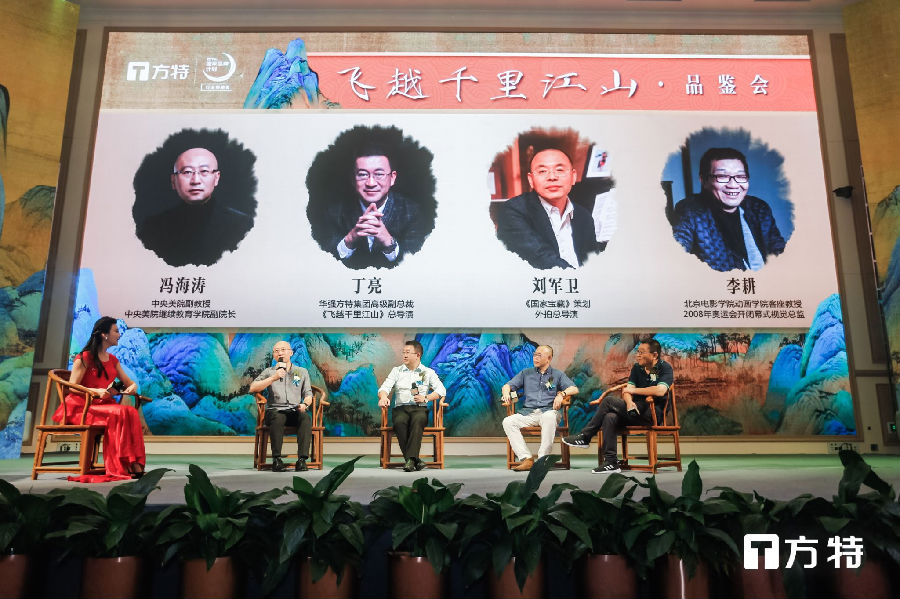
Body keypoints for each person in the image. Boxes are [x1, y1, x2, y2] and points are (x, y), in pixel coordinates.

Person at [53, 316, 146, 480]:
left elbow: (129, 382)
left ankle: (133, 462)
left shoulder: (113, 360)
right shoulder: (84, 357)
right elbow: (72, 386)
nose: (119, 335)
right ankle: (121, 464)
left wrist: (132, 387)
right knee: (120, 413)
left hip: (103, 405)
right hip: (83, 407)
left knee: (130, 412)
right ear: (104, 334)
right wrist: (95, 391)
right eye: (116, 331)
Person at [563, 339, 674, 474]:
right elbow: (627, 391)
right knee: (610, 417)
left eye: (641, 352)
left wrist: (633, 391)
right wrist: (629, 403)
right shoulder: (637, 368)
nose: (637, 355)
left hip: (652, 414)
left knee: (608, 401)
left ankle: (585, 437)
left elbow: (660, 390)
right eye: (637, 352)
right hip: (634, 411)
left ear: (654, 355)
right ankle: (611, 462)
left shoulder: (664, 368)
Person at [671, 147, 786, 272]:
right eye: (722, 176)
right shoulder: (689, 211)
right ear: (703, 180)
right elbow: (677, 254)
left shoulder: (758, 208)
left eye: (740, 176)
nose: (733, 185)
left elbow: (778, 250)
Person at [135, 147, 254, 266]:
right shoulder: (153, 228)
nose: (196, 180)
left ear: (216, 178)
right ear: (173, 180)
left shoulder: (242, 225)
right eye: (187, 172)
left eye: (204, 171)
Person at [322, 145, 431, 269]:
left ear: (392, 178)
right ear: (353, 179)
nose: (371, 183)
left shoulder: (412, 213)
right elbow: (326, 262)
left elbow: (415, 262)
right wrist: (351, 238)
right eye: (362, 174)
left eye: (379, 174)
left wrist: (388, 242)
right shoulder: (334, 213)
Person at [495, 148, 602, 269]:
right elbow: (541, 259)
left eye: (560, 170)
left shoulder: (583, 215)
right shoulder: (513, 211)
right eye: (542, 171)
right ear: (531, 180)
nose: (552, 177)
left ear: (573, 176)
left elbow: (593, 261)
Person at [501, 345, 578, 472]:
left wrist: (561, 394)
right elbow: (507, 386)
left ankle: (543, 459)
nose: (535, 358)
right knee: (508, 421)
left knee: (549, 417)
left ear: (549, 358)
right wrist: (506, 393)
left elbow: (574, 389)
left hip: (548, 412)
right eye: (535, 355)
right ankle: (526, 459)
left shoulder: (557, 374)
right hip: (528, 413)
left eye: (539, 355)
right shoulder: (526, 373)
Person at [378, 340, 447, 471]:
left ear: (418, 355)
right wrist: (383, 397)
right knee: (399, 422)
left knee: (418, 420)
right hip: (401, 409)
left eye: (408, 352)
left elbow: (441, 390)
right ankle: (415, 460)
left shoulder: (428, 372)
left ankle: (410, 461)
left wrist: (426, 398)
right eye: (403, 352)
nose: (404, 355)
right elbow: (384, 388)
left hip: (419, 409)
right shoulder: (396, 371)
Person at [249, 340, 314, 472]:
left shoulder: (301, 372)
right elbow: (252, 388)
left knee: (305, 418)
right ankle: (277, 460)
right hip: (275, 411)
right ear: (274, 355)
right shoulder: (269, 371)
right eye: (277, 351)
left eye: (283, 350)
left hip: (294, 410)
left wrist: (305, 404)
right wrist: (273, 378)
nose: (280, 353)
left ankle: (302, 460)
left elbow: (308, 394)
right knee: (278, 418)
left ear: (291, 353)